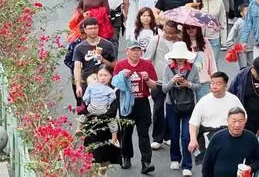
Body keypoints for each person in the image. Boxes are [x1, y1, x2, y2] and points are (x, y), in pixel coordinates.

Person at [114, 39, 159, 173]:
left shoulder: (147, 64)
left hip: (142, 102)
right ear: (127, 51)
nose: (136, 52)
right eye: (133, 50)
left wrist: (147, 79)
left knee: (143, 133)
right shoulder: (120, 65)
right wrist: (122, 76)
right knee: (126, 132)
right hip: (126, 101)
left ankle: (146, 162)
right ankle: (126, 157)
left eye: (138, 50)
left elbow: (154, 86)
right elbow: (115, 84)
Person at [189, 71, 244, 170]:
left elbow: (244, 118)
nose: (214, 86)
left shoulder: (233, 99)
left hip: (230, 138)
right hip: (208, 139)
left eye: (218, 83)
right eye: (212, 83)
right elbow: (193, 123)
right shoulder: (203, 101)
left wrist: (237, 131)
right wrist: (193, 139)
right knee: (209, 169)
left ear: (226, 86)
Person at [162, 41, 202, 176]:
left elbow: (198, 86)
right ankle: (175, 158)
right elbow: (164, 89)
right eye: (177, 56)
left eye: (182, 56)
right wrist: (173, 80)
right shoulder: (168, 68)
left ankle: (187, 165)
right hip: (171, 105)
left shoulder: (193, 68)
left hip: (188, 105)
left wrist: (188, 84)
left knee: (186, 136)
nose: (179, 58)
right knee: (174, 134)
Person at [201, 107, 259, 177]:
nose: (237, 124)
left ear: (245, 121)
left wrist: (250, 168)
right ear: (227, 121)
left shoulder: (251, 138)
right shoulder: (217, 137)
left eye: (240, 121)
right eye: (234, 121)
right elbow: (207, 164)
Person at [72, 17, 118, 100]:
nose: (93, 31)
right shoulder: (79, 47)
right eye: (90, 29)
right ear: (85, 30)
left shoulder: (107, 44)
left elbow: (114, 65)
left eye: (95, 28)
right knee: (89, 106)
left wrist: (103, 60)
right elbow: (77, 67)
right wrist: (78, 85)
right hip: (88, 82)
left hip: (106, 82)